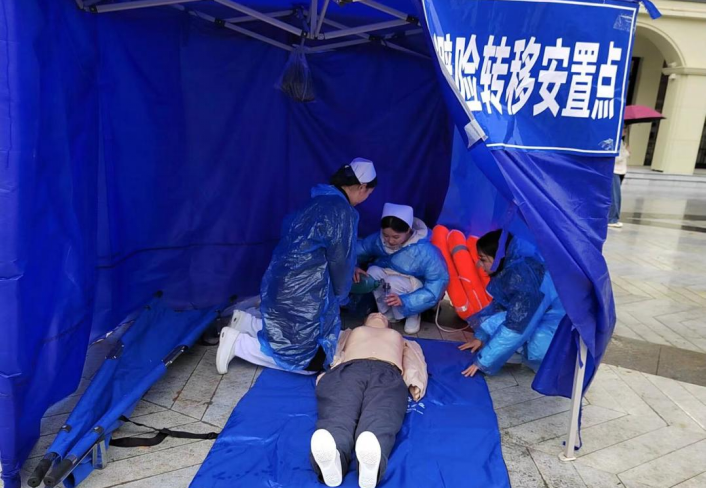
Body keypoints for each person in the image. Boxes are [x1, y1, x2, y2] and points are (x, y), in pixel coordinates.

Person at [216, 158, 378, 375]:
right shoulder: (342, 211)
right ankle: (238, 344)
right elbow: (340, 261)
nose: (366, 199)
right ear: (362, 187)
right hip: (304, 291)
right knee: (308, 360)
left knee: (284, 330)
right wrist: (341, 294)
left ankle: (246, 323)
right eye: (369, 193)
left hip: (281, 282)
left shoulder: (315, 201)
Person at [310, 313, 428, 489]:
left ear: (389, 324)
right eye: (374, 313)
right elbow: (336, 349)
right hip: (349, 369)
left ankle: (371, 466)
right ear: (364, 321)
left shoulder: (404, 340)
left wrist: (416, 381)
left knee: (382, 416)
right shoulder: (349, 333)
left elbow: (414, 359)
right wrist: (329, 371)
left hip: (388, 372)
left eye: (382, 315)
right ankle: (333, 457)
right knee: (338, 411)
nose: (379, 314)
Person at [459, 230, 566, 377]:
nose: (479, 264)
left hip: (556, 334)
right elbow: (500, 306)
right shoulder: (516, 267)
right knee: (501, 322)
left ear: (498, 258)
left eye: (483, 259)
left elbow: (515, 328)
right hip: (549, 323)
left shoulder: (527, 281)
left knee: (530, 344)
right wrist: (481, 337)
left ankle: (548, 362)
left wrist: (482, 361)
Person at [356, 203, 449, 335]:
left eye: (395, 237)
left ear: (408, 230)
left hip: (412, 286)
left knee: (392, 282)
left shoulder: (426, 251)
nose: (390, 241)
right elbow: (359, 250)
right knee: (372, 273)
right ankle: (386, 312)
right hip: (389, 277)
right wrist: (354, 267)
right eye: (386, 235)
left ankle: (413, 313)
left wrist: (406, 301)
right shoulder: (379, 240)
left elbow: (437, 282)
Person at [609, 130, 630, 229]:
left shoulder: (621, 142)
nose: (625, 131)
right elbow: (615, 158)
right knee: (615, 197)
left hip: (620, 171)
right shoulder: (615, 141)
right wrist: (627, 152)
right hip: (615, 171)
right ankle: (612, 219)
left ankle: (612, 218)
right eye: (623, 128)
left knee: (615, 196)